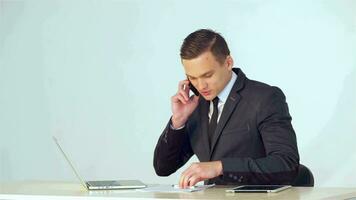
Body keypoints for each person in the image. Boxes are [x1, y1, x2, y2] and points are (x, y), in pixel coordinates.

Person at [153, 29, 299, 189]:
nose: (201, 86)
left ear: (228, 63)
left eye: (208, 75)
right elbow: (163, 168)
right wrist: (178, 121)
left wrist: (220, 167)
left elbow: (286, 163)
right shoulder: (194, 106)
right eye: (192, 78)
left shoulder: (265, 98)